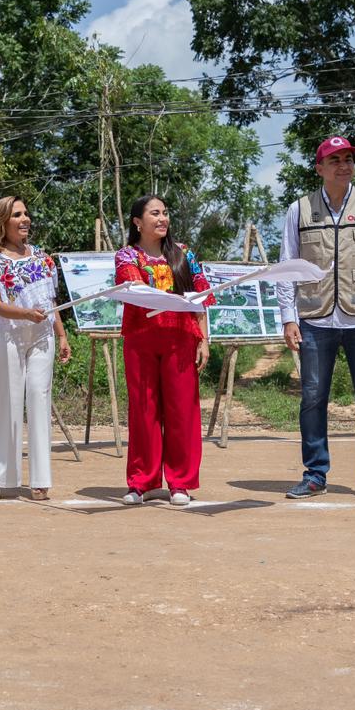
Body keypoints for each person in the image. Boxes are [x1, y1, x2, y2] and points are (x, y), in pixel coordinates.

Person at [276, 136, 355, 502]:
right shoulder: (299, 210)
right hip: (315, 319)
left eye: (348, 159)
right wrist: (288, 318)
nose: (344, 165)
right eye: (335, 160)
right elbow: (287, 268)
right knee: (313, 398)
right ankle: (315, 474)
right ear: (319, 168)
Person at [114, 195, 214, 506]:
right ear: (137, 222)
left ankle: (181, 483)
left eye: (165, 213)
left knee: (181, 411)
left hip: (180, 338)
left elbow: (200, 296)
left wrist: (204, 339)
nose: (162, 219)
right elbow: (135, 291)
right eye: (154, 214)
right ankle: (142, 481)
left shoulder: (184, 254)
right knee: (143, 410)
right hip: (141, 339)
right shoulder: (127, 256)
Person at [0, 196, 72, 501]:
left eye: (26, 214)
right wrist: (26, 314)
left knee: (39, 399)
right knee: (8, 403)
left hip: (41, 335)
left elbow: (51, 302)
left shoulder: (43, 259)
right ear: (2, 222)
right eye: (17, 214)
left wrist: (61, 335)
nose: (25, 219)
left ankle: (40, 479)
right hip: (7, 334)